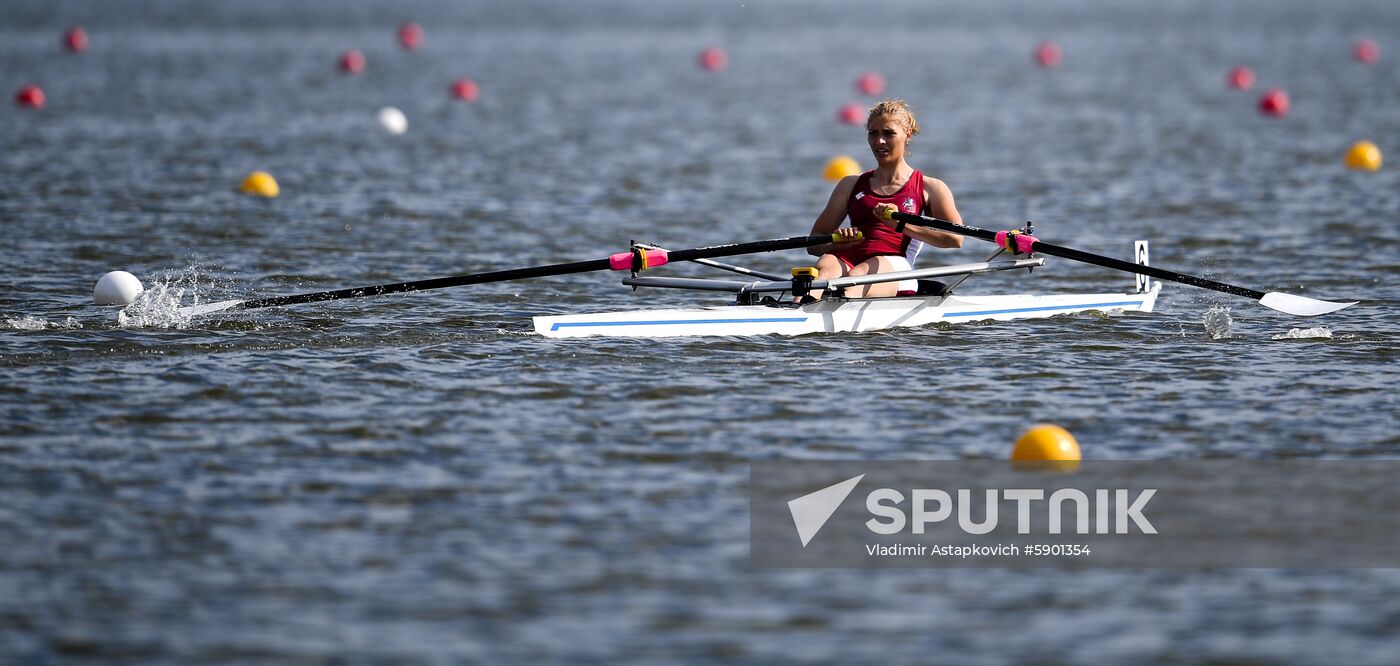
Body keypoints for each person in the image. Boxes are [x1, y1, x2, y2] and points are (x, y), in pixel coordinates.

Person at [806, 99, 965, 298]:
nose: (879, 141)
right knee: (824, 268)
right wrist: (835, 245)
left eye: (888, 133)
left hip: (895, 264)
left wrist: (900, 225)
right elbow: (813, 244)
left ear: (907, 135)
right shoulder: (849, 185)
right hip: (848, 257)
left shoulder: (930, 188)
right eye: (873, 133)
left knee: (858, 274)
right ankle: (798, 310)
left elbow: (955, 239)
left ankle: (833, 302)